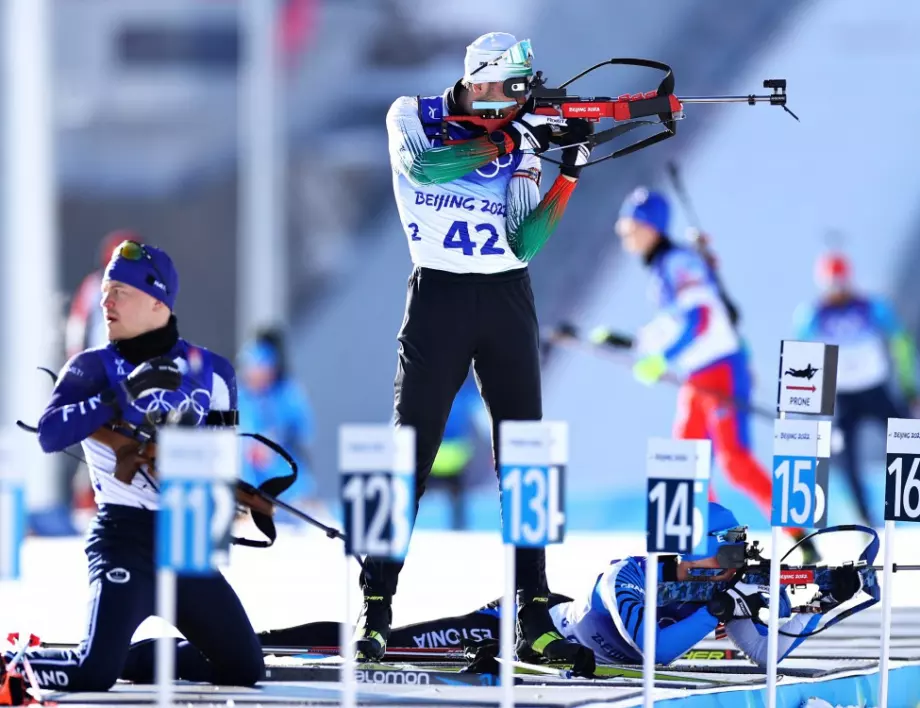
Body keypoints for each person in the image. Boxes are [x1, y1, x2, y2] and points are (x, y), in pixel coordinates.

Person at [365, 31, 594, 667]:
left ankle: (533, 611)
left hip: (504, 298)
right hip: (438, 296)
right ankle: (376, 605)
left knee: (526, 455)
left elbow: (524, 242)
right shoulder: (413, 114)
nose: (512, 107)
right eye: (507, 95)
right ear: (482, 80)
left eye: (520, 99)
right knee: (406, 453)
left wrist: (566, 173)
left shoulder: (518, 136)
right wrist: (509, 139)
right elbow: (423, 167)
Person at [1, 240, 264, 694]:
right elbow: (50, 433)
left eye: (119, 290)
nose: (105, 301)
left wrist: (183, 464)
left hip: (184, 542)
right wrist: (119, 397)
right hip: (124, 539)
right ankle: (13, 665)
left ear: (157, 300)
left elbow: (223, 460)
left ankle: (129, 655)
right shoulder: (91, 367)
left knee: (244, 667)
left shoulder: (215, 372)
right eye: (106, 290)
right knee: (93, 674)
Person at [254, 503, 865, 668]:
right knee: (397, 643)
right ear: (694, 549)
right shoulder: (623, 575)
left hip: (559, 661)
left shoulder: (723, 591)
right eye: (728, 549)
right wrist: (714, 611)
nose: (738, 560)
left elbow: (767, 653)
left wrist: (821, 603)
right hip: (514, 631)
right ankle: (274, 641)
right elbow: (651, 654)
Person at [601, 187, 819, 562]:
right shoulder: (664, 266)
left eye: (631, 226)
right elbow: (673, 322)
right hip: (699, 375)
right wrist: (636, 343)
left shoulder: (676, 263)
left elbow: (699, 319)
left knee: (734, 460)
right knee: (686, 460)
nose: (625, 234)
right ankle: (714, 542)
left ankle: (800, 538)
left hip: (720, 368)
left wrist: (662, 358)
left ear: (652, 227)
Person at [792, 251, 918, 527]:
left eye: (840, 282)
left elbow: (902, 342)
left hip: (876, 390)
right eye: (831, 284)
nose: (837, 290)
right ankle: (865, 517)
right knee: (845, 459)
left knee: (909, 444)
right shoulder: (813, 314)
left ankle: (910, 504)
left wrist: (910, 387)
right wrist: (804, 404)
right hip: (844, 397)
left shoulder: (871, 307)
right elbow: (800, 354)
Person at [237, 327, 318, 516]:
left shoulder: (288, 393)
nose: (256, 373)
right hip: (247, 477)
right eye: (252, 366)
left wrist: (279, 436)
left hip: (285, 477)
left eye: (262, 367)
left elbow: (306, 431)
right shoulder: (240, 396)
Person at [428, 370, 485, 530]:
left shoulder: (426, 390)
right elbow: (484, 424)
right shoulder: (468, 393)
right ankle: (460, 528)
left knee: (414, 493)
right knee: (459, 496)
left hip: (431, 460)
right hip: (457, 461)